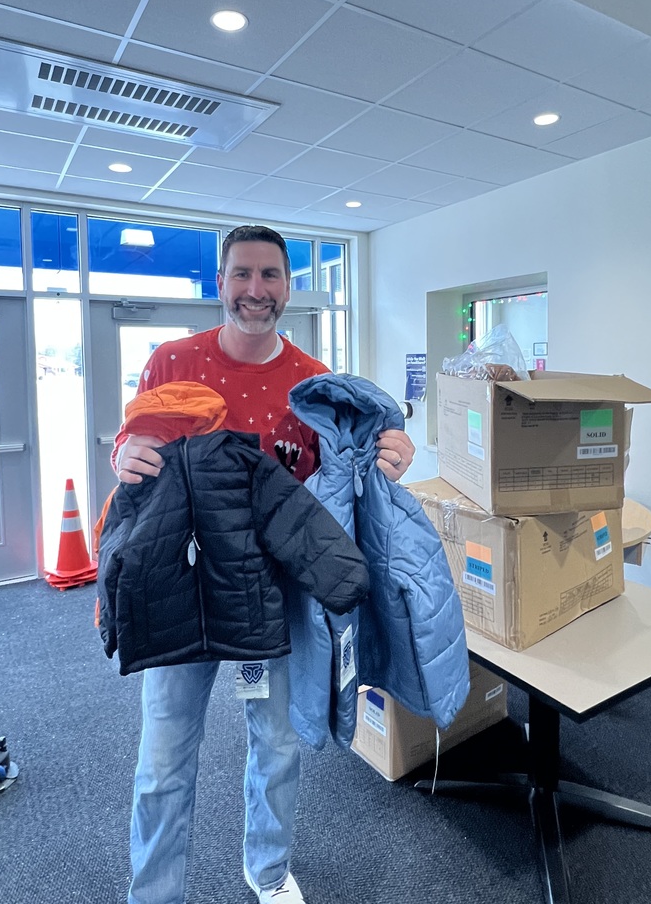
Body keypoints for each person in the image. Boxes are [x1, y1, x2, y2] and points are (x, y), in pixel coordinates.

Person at [113, 225, 415, 904]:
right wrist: (121, 456)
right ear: (219, 282)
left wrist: (393, 452)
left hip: (274, 598)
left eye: (271, 276)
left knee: (277, 748)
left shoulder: (314, 384)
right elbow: (137, 453)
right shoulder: (172, 362)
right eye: (242, 274)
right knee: (162, 762)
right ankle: (154, 894)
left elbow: (349, 473)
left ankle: (269, 873)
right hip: (180, 589)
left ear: (288, 286)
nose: (256, 290)